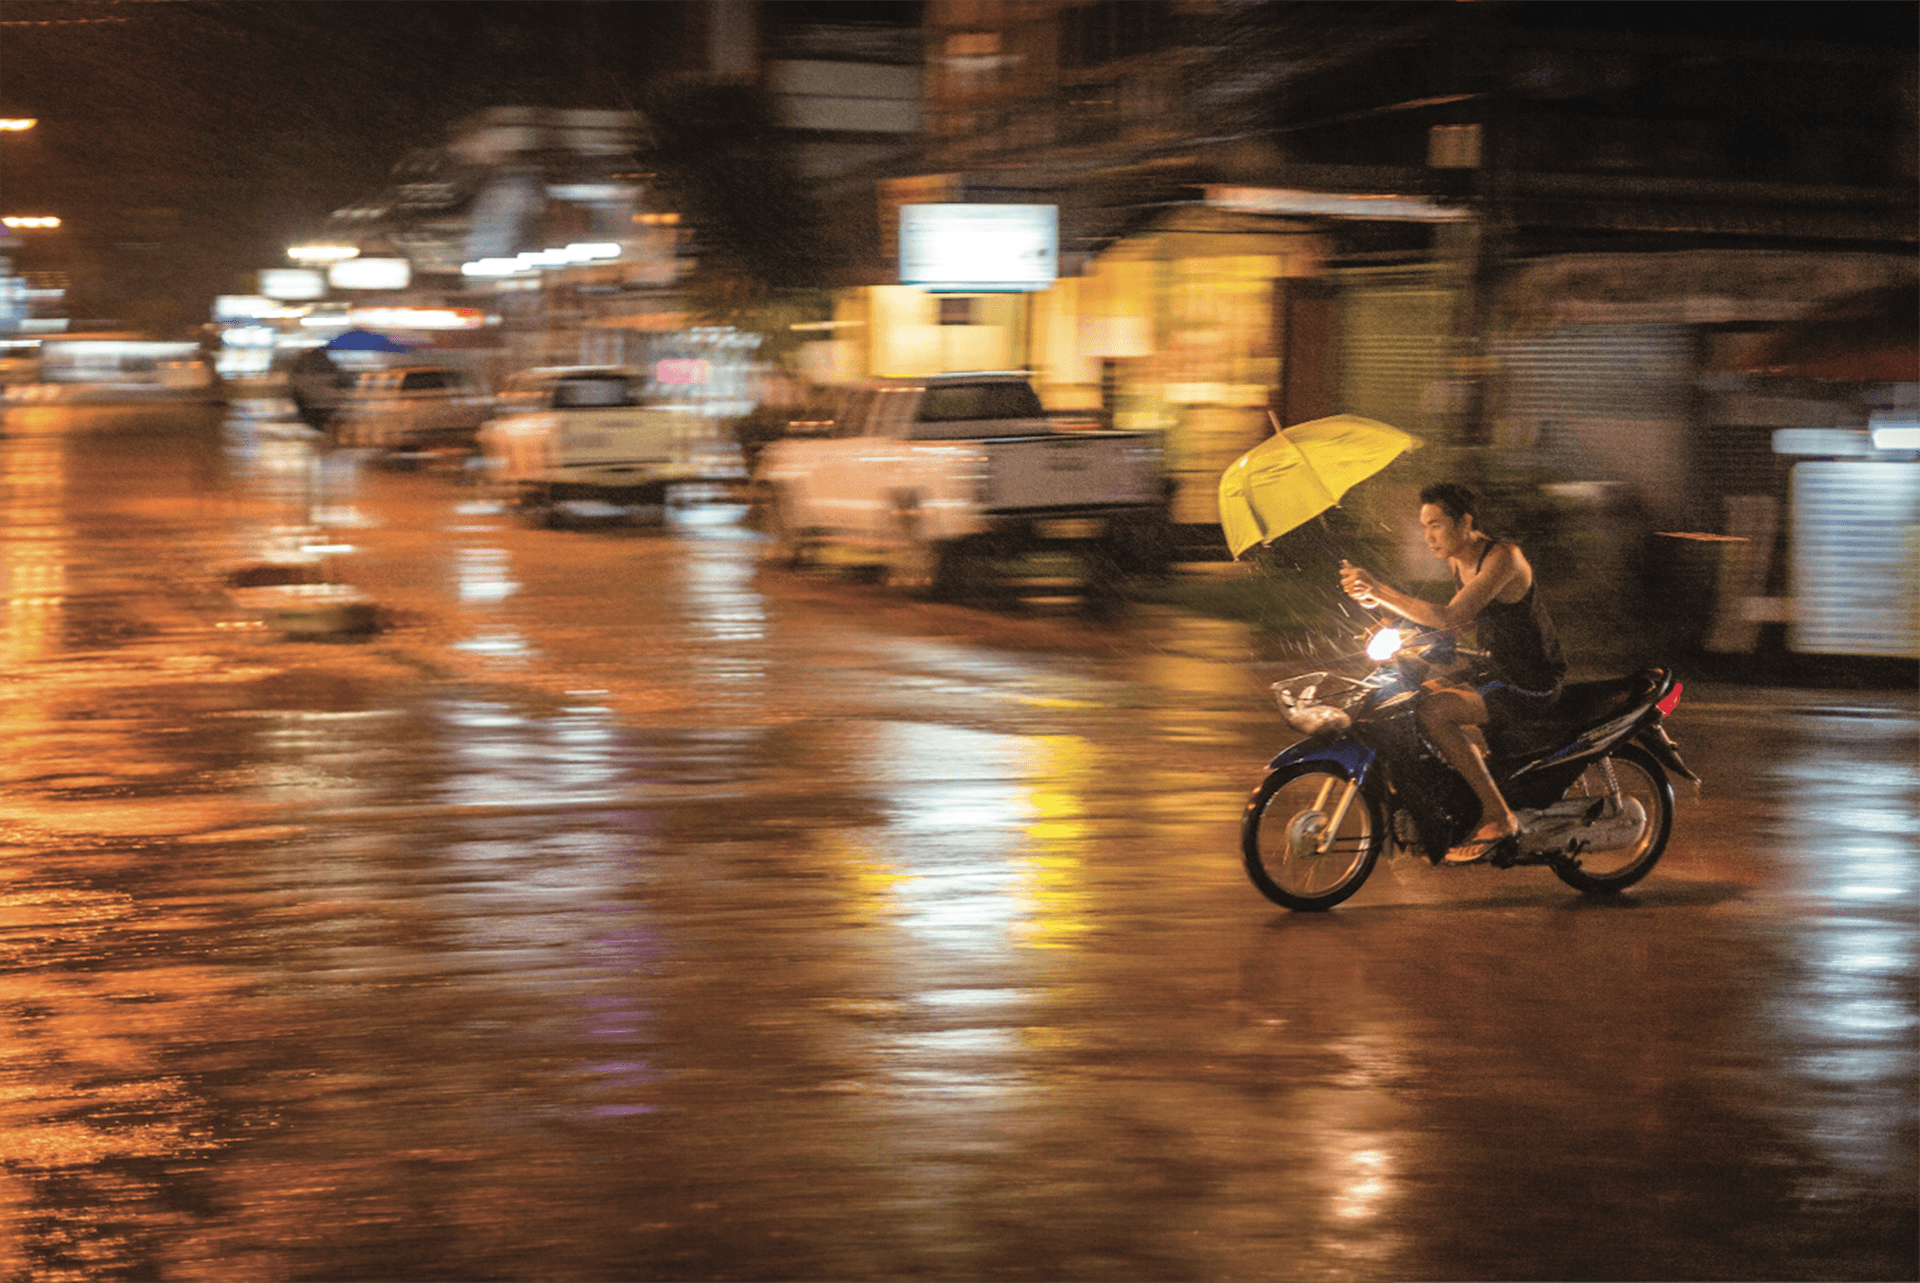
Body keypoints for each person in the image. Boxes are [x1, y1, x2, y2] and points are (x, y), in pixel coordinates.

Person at [1338, 482, 1567, 863]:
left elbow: (1451, 616)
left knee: (1434, 712)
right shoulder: (1459, 559)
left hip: (1530, 679)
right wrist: (1391, 624)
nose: (1429, 536)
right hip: (1494, 667)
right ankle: (1458, 792)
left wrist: (1380, 590)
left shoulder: (1504, 557)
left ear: (1465, 522)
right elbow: (1457, 625)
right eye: (1424, 526)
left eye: (1436, 525)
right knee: (1413, 699)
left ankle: (1500, 815)